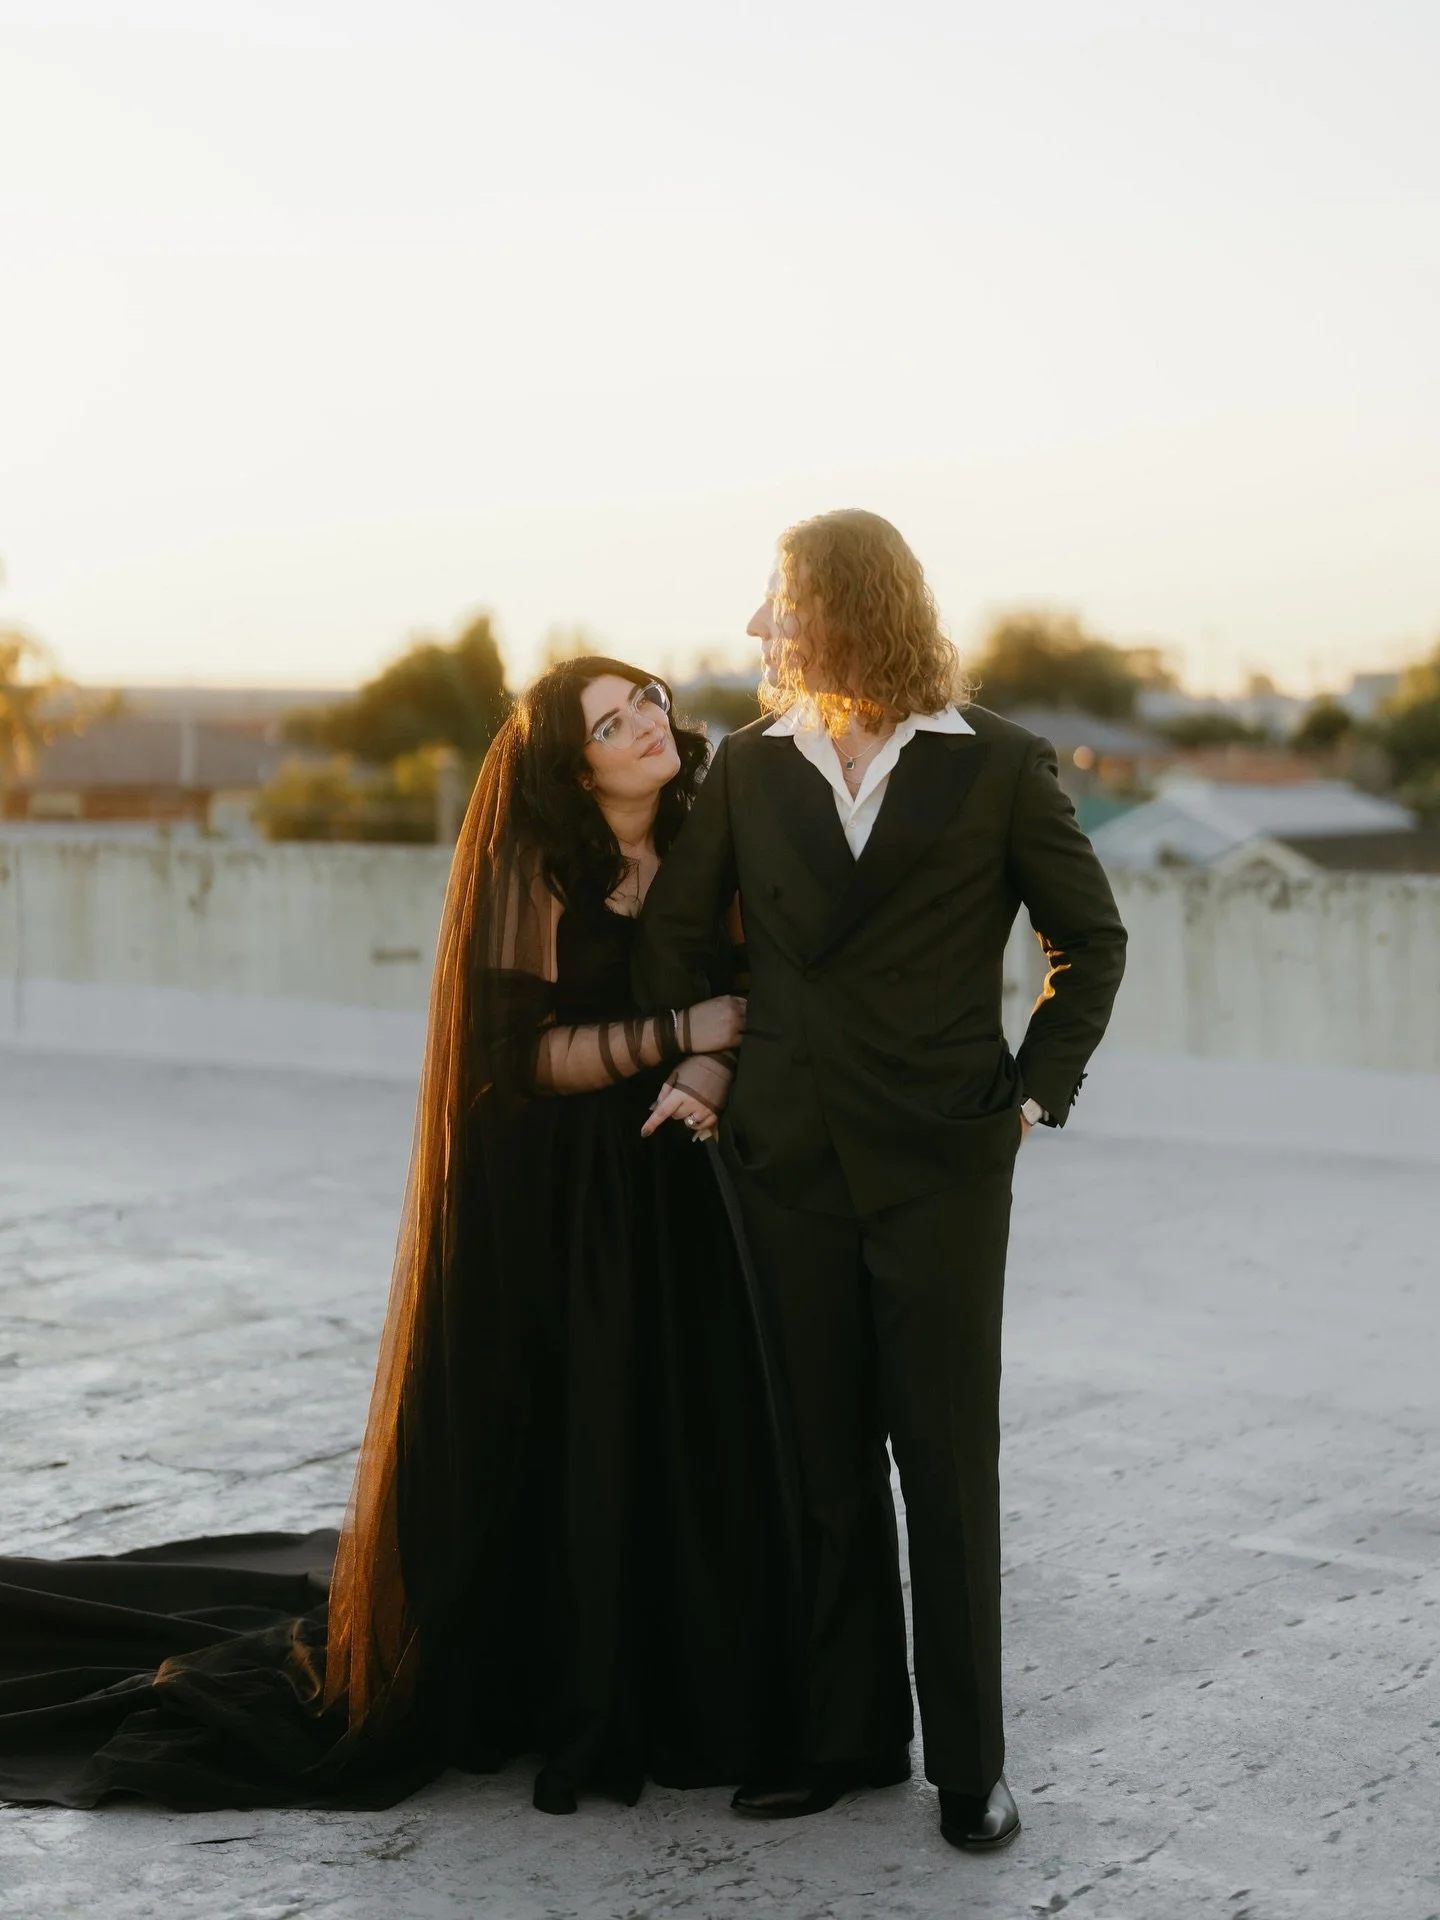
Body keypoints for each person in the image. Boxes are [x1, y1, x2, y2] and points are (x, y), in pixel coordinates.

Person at [0, 657, 801, 1815]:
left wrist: (713, 1066)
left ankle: (673, 1678)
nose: (644, 730)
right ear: (574, 767)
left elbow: (745, 984)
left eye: (649, 706)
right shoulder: (536, 865)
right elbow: (513, 1056)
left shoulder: (701, 832)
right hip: (558, 1189)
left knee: (671, 1423)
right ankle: (554, 1681)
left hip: (677, 1175)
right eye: (612, 724)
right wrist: (677, 1031)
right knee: (568, 1421)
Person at [634, 511, 1128, 1852]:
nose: (755, 631)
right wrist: (718, 1066)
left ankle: (971, 1768)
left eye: (778, 605)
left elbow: (1089, 938)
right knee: (820, 1458)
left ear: (846, 609)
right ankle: (845, 1740)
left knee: (947, 1460)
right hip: (784, 1157)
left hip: (944, 1159)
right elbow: (680, 939)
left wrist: (1033, 1089)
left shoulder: (1004, 766)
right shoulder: (748, 770)